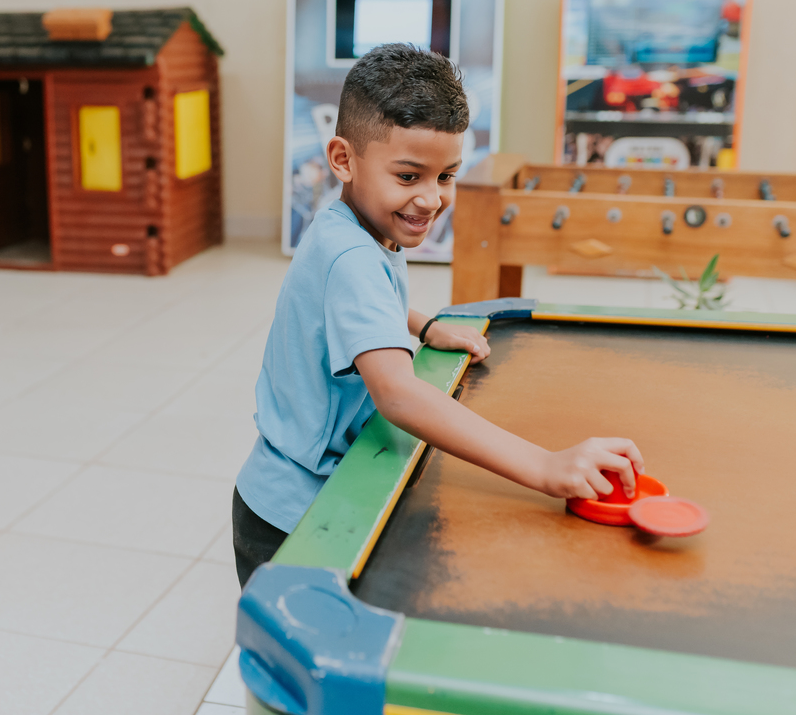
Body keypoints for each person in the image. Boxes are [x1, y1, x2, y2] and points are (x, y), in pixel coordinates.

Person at [232, 44, 644, 588]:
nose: (431, 199)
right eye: (408, 177)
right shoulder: (355, 255)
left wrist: (422, 326)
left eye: (446, 175)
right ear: (342, 158)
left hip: (277, 494)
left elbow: (357, 305)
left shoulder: (344, 225)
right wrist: (544, 467)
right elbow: (398, 395)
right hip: (291, 519)